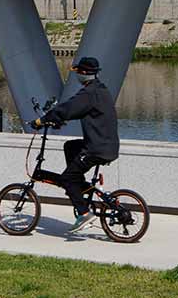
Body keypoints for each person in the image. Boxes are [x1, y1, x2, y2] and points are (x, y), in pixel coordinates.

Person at [35, 56, 119, 233]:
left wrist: (42, 120)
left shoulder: (88, 94)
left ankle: (84, 213)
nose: (77, 75)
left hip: (96, 147)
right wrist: (61, 120)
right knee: (70, 146)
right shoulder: (100, 89)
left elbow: (68, 108)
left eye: (78, 72)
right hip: (107, 144)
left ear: (83, 73)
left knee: (66, 179)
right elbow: (77, 111)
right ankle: (79, 184)